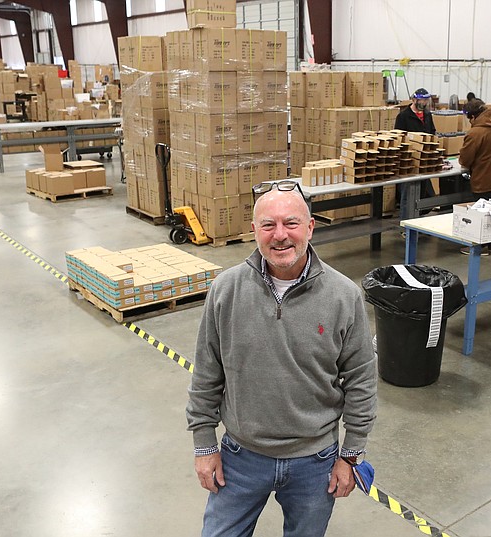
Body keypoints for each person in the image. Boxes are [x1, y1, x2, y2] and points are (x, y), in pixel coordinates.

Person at [187, 180, 377, 537]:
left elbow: (361, 381)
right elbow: (207, 373)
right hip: (240, 457)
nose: (280, 236)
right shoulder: (226, 290)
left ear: (310, 227)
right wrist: (204, 444)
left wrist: (351, 455)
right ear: (254, 230)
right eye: (268, 225)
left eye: (291, 223)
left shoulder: (343, 296)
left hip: (315, 461)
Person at [458, 98, 491, 254]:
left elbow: (465, 159)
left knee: (482, 215)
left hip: (483, 179)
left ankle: (480, 247)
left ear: (473, 117)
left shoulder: (476, 132)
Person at [394, 88, 437, 213]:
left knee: (427, 196)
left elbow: (432, 132)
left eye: (426, 100)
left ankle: (418, 221)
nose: (424, 103)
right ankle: (406, 227)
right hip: (409, 161)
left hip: (425, 160)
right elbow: (398, 137)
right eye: (422, 100)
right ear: (414, 99)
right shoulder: (403, 116)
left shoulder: (428, 115)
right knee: (408, 196)